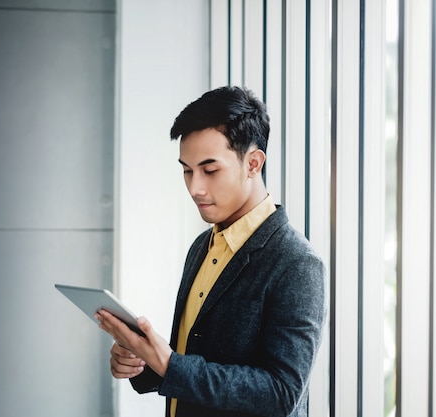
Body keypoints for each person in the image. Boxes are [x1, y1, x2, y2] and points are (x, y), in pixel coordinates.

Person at [95, 86, 326, 417]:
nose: (194, 187)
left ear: (253, 163)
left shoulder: (297, 263)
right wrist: (145, 363)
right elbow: (195, 361)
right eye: (187, 170)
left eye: (210, 169)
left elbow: (281, 393)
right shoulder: (202, 247)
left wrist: (169, 363)